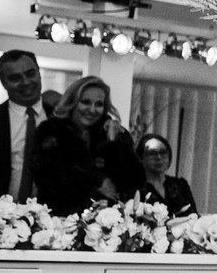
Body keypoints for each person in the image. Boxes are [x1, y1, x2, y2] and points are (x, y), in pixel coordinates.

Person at [31, 75, 143, 216]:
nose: (92, 109)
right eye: (85, 102)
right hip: (59, 217)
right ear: (73, 102)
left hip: (106, 220)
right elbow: (47, 174)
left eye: (99, 104)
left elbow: (136, 180)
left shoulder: (115, 133)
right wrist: (97, 182)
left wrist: (113, 142)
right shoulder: (51, 130)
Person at [0, 50, 57, 203]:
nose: (25, 82)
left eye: (30, 74)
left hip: (50, 213)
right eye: (15, 78)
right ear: (3, 82)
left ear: (39, 73)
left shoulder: (59, 119)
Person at [135, 133, 198, 216]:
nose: (159, 157)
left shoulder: (181, 185)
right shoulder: (135, 188)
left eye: (163, 152)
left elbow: (193, 216)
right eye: (152, 153)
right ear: (141, 158)